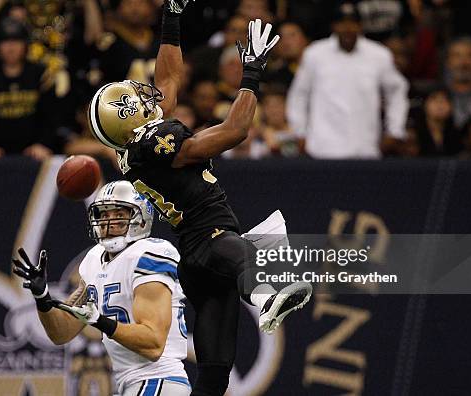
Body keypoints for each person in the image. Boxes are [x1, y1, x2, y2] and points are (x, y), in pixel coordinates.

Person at [87, 2, 312, 395]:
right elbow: (236, 129)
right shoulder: (155, 141)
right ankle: (269, 294)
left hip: (199, 262)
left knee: (215, 373)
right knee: (244, 253)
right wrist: (253, 72)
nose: (144, 93)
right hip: (209, 242)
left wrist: (171, 17)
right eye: (133, 98)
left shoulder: (138, 144)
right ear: (128, 117)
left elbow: (169, 78)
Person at [12, 181, 191, 395]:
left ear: (141, 217)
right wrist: (42, 297)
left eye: (118, 214)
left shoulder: (149, 255)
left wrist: (100, 321)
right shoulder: (94, 260)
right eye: (103, 215)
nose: (108, 222)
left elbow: (153, 343)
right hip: (132, 382)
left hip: (158, 379)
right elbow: (61, 332)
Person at [287, 1, 409, 159]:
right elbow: (299, 95)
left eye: (353, 23)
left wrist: (395, 130)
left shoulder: (378, 55)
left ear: (361, 26)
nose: (347, 28)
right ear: (333, 26)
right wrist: (299, 132)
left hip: (365, 149)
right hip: (322, 149)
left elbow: (397, 91)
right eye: (342, 23)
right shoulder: (315, 54)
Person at [0, 17, 67, 161]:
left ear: (25, 44)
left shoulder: (41, 75)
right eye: (5, 41)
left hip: (36, 154)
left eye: (16, 41)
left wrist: (44, 143)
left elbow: (52, 115)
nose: (11, 47)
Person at [408, 86, 462, 157]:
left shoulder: (457, 134)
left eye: (445, 100)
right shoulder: (412, 133)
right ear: (424, 104)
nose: (440, 104)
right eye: (434, 99)